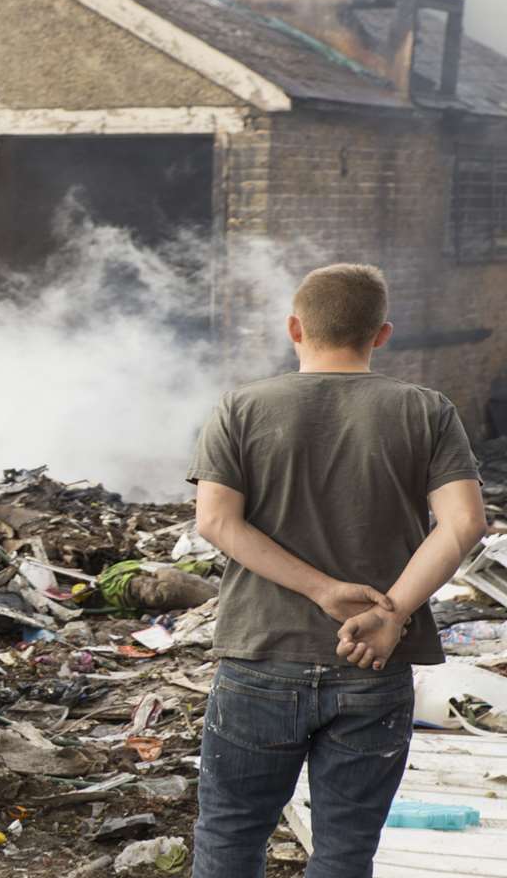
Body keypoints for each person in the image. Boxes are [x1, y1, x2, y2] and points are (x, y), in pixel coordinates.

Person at [187, 263, 485, 878]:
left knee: (230, 836)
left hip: (259, 660)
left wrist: (321, 590)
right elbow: (463, 525)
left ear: (295, 327)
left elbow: (217, 522)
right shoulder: (427, 410)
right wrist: (390, 613)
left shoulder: (240, 407)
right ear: (382, 334)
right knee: (346, 851)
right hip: (374, 666)